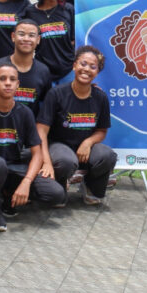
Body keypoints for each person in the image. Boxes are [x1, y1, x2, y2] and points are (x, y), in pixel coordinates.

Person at [0, 64, 65, 218]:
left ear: (17, 84)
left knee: (55, 193)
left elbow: (37, 153)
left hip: (13, 168)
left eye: (12, 79)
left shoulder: (25, 112)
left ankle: (8, 197)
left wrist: (26, 182)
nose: (8, 83)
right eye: (2, 79)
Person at [36, 46, 117, 205]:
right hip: (59, 148)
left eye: (93, 66)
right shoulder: (56, 94)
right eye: (83, 64)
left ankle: (90, 187)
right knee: (65, 161)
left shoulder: (100, 97)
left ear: (97, 72)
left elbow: (102, 131)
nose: (86, 69)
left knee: (107, 156)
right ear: (74, 66)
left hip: (85, 150)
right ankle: (59, 186)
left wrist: (88, 142)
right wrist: (46, 162)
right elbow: (41, 131)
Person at [0, 19, 52, 118]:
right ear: (13, 37)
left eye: (31, 35)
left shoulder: (43, 71)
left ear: (38, 39)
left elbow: (46, 108)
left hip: (29, 125)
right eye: (21, 34)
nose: (26, 39)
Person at [21, 0, 75, 83]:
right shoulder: (30, 12)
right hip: (43, 72)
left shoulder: (68, 9)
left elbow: (73, 41)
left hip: (68, 72)